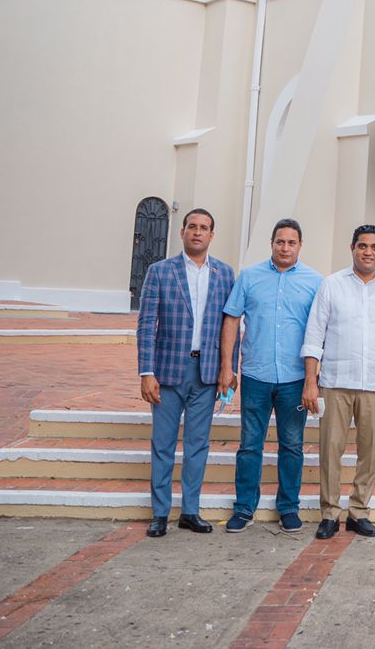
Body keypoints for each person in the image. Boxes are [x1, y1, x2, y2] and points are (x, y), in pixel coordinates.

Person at [301, 224, 375, 540]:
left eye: (374, 247)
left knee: (369, 451)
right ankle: (329, 513)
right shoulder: (331, 285)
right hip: (335, 381)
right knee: (330, 449)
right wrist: (311, 381)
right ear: (352, 248)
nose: (368, 252)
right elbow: (314, 336)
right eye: (362, 246)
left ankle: (359, 511)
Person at [218, 218, 322, 533]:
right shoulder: (249, 277)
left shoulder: (315, 281)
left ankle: (288, 507)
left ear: (300, 245)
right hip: (255, 375)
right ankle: (244, 507)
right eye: (280, 241)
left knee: (292, 445)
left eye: (291, 242)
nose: (285, 247)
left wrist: (312, 379)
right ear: (272, 243)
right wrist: (227, 366)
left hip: (294, 379)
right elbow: (232, 320)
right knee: (250, 444)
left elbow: (319, 332)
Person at [136, 208, 234, 538]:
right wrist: (146, 372)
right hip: (166, 371)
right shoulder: (160, 271)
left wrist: (227, 369)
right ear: (182, 232)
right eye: (192, 226)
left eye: (204, 228)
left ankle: (190, 510)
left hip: (205, 373)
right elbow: (147, 324)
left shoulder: (224, 273)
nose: (197, 232)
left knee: (197, 445)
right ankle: (160, 512)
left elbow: (229, 326)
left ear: (211, 235)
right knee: (163, 444)